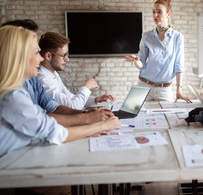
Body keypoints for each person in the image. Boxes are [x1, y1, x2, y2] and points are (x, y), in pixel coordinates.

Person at [0, 25, 121, 157]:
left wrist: (86, 118)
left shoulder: (17, 90)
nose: (40, 59)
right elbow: (54, 132)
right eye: (36, 52)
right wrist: (100, 126)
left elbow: (47, 114)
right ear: (19, 57)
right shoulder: (12, 96)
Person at [0, 19, 114, 127]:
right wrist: (86, 89)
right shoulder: (18, 92)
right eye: (35, 52)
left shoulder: (37, 79)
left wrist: (87, 113)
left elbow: (56, 107)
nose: (40, 59)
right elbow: (45, 123)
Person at [124, 0, 191, 103]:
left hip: (164, 90)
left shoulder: (177, 37)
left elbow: (179, 66)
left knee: (167, 118)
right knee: (138, 117)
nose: (155, 15)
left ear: (168, 14)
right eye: (154, 12)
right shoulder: (146, 36)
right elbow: (142, 64)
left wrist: (179, 90)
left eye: (159, 12)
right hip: (143, 85)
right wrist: (136, 61)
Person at [37, 31, 115, 110]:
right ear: (48, 56)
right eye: (64, 55)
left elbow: (70, 98)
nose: (67, 59)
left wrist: (95, 99)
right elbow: (73, 107)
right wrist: (86, 87)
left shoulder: (53, 74)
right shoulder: (43, 80)